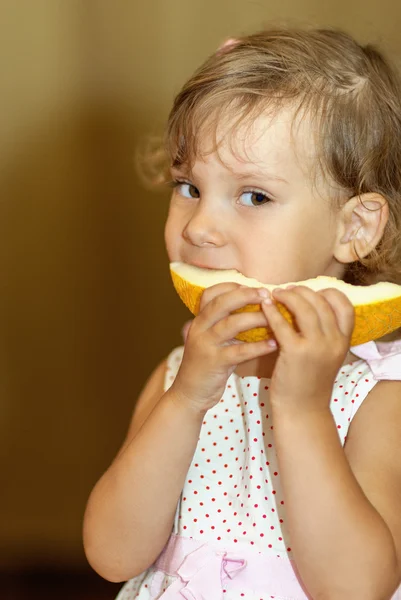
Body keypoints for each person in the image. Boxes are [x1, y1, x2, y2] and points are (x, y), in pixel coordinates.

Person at [83, 27, 401, 599]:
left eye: (254, 196)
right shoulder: (179, 375)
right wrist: (184, 400)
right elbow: (111, 553)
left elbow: (357, 587)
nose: (200, 227)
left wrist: (303, 410)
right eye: (188, 187)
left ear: (354, 228)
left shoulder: (379, 395)